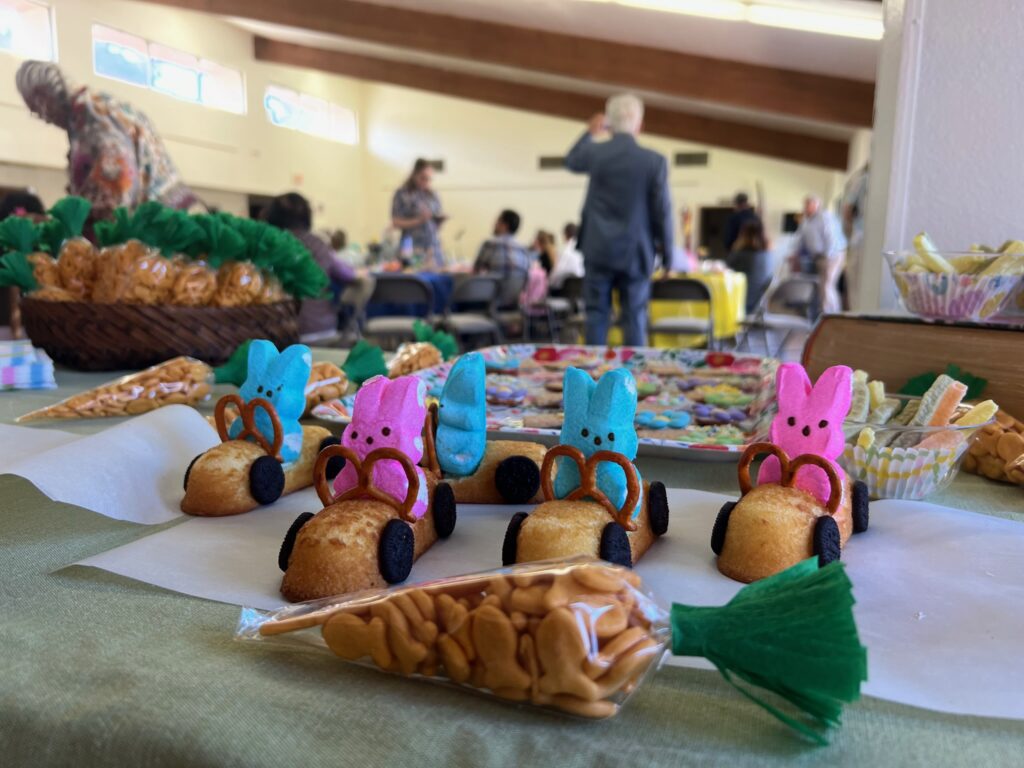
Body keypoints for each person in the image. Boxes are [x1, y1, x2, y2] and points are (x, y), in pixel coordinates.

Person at [16, 61, 195, 221]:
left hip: (155, 228)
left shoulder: (93, 115)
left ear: (43, 98)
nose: (44, 119)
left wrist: (59, 222)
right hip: (158, 219)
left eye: (36, 111)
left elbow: (114, 190)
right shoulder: (91, 111)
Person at [565, 93, 673, 346]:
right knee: (634, 316)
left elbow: (571, 161)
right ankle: (634, 371)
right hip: (636, 251)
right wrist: (668, 255)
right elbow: (662, 211)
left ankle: (593, 372)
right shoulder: (654, 161)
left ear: (608, 124)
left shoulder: (596, 153)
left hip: (597, 248)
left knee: (596, 315)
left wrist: (589, 132)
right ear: (640, 125)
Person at [264, 193, 355, 340]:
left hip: (281, 334)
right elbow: (348, 274)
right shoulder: (318, 244)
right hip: (323, 330)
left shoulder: (267, 246)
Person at [789, 194, 847, 316]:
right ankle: (823, 313)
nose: (805, 207)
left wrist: (827, 257)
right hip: (818, 257)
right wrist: (794, 253)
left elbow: (831, 238)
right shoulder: (806, 221)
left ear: (816, 205)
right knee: (822, 286)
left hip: (832, 256)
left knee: (827, 285)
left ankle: (832, 314)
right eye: (805, 204)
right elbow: (800, 239)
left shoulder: (824, 218)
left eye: (808, 204)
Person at [391, 159, 446, 268]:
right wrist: (419, 220)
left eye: (429, 179)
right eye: (423, 178)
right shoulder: (403, 194)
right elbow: (395, 222)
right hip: (411, 248)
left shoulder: (433, 195)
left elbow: (435, 225)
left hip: (433, 249)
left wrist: (439, 221)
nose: (426, 181)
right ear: (414, 175)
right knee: (413, 276)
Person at [727, 219, 773, 314]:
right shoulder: (768, 255)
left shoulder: (740, 254)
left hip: (743, 302)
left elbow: (726, 268)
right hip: (760, 302)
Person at [472, 209, 531, 280]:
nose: (494, 224)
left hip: (494, 286)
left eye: (497, 221)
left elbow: (476, 271)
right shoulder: (524, 250)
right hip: (515, 287)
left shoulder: (490, 244)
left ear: (504, 225)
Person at [841, 164, 869, 310]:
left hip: (859, 238)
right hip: (868, 240)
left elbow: (847, 209)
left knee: (855, 286)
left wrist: (849, 231)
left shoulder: (862, 179)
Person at [549, 223, 585, 292]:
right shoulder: (584, 249)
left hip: (566, 290)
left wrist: (549, 282)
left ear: (565, 234)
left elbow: (558, 271)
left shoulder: (566, 251)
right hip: (581, 289)